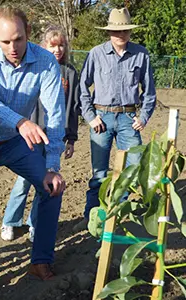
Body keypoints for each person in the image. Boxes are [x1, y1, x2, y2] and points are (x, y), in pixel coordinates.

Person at [0, 6, 66, 289]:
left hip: (15, 144)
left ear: (27, 33)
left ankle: (40, 260)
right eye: (5, 41)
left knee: (51, 187)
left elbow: (55, 114)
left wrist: (53, 166)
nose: (13, 47)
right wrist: (20, 122)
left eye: (18, 39)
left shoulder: (45, 62)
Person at [74, 7, 156, 232]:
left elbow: (149, 92)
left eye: (124, 31)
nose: (120, 35)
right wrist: (90, 117)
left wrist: (143, 116)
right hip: (102, 118)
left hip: (129, 118)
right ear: (108, 32)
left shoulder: (141, 55)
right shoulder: (96, 53)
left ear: (130, 32)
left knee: (133, 167)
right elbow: (83, 88)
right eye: (115, 31)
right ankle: (92, 215)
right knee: (99, 172)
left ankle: (118, 214)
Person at [1, 24, 80, 242]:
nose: (58, 51)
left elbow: (73, 107)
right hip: (31, 136)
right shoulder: (36, 68)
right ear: (44, 46)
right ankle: (10, 221)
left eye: (61, 46)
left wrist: (70, 138)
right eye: (53, 46)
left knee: (46, 184)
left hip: (54, 138)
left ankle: (34, 224)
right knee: (23, 182)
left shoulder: (70, 73)